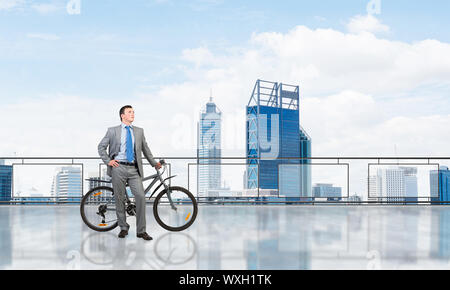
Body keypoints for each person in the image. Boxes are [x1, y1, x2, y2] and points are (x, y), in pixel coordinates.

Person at [98, 105, 162, 240]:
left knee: (140, 197)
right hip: (118, 168)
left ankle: (141, 231)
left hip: (134, 169)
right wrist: (108, 161)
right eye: (129, 112)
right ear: (122, 115)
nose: (132, 114)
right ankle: (123, 227)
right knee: (119, 199)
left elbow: (146, 149)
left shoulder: (139, 131)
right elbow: (101, 147)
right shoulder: (112, 131)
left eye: (133, 112)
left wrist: (154, 163)